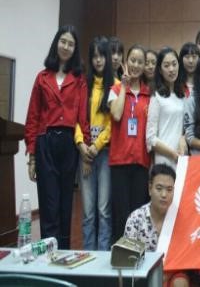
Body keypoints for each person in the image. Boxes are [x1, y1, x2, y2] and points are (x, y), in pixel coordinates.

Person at [25, 25, 89, 249]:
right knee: (48, 201)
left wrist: (85, 149)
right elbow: (33, 117)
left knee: (65, 203)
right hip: (46, 142)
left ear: (75, 49)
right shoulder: (42, 77)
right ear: (56, 44)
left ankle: (63, 253)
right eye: (63, 41)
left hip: (69, 143)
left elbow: (83, 117)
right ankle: (47, 253)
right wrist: (32, 156)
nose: (66, 47)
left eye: (71, 44)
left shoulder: (79, 79)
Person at [108, 44, 151, 242]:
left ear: (144, 66)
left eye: (140, 62)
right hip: (119, 162)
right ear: (126, 62)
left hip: (141, 162)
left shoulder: (149, 94)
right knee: (120, 215)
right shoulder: (115, 89)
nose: (135, 65)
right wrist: (124, 87)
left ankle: (136, 254)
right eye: (132, 60)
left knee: (137, 214)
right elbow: (116, 115)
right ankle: (119, 254)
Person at [75, 36, 114, 250]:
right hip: (85, 154)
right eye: (94, 56)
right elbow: (76, 118)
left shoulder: (116, 86)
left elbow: (113, 124)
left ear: (107, 57)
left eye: (101, 56)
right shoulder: (83, 85)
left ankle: (103, 257)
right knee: (88, 212)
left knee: (104, 210)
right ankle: (89, 257)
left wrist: (96, 146)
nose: (98, 60)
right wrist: (82, 145)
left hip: (105, 153)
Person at [124, 164, 189, 287]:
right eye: (159, 188)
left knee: (181, 282)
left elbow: (183, 257)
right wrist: (154, 277)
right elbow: (128, 259)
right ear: (150, 189)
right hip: (142, 274)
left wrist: (165, 275)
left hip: (171, 272)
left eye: (169, 190)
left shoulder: (179, 219)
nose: (164, 195)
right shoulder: (135, 218)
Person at [146, 47, 187, 171]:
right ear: (160, 69)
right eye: (166, 65)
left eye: (174, 64)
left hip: (182, 158)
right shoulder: (156, 97)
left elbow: (185, 127)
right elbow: (150, 138)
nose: (171, 69)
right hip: (164, 159)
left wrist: (183, 138)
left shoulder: (182, 96)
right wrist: (173, 155)